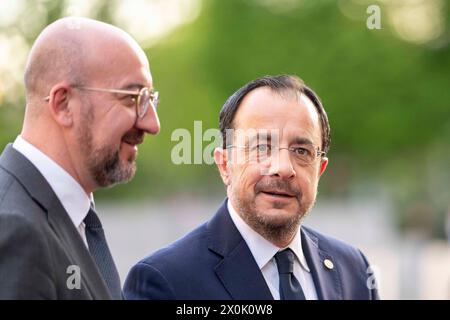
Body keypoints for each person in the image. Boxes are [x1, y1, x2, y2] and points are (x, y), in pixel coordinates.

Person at [124, 75, 379, 300]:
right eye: (261, 147)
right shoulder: (165, 282)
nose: (283, 167)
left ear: (319, 170)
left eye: (301, 151)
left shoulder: (354, 271)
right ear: (225, 165)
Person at [0, 17, 160, 299]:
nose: (152, 124)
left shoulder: (65, 216)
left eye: (150, 100)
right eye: (132, 98)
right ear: (63, 104)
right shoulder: (16, 229)